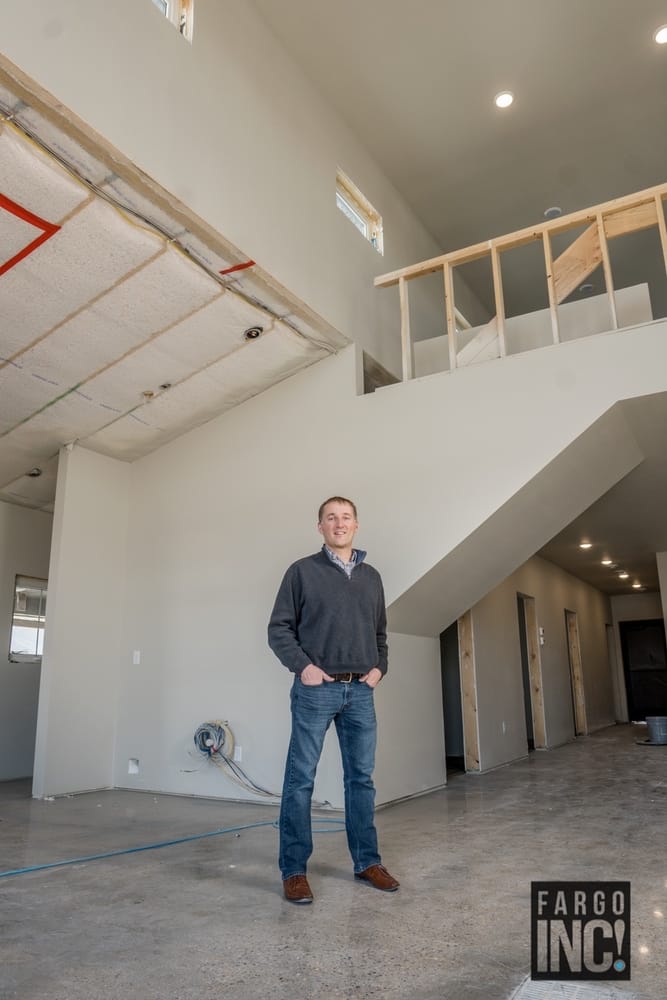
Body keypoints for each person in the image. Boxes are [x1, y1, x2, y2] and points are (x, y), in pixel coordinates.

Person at [268, 495, 399, 904]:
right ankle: (294, 871)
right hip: (315, 690)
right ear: (320, 526)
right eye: (331, 518)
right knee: (300, 781)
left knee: (361, 780)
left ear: (356, 525)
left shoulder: (372, 576)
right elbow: (279, 630)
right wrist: (303, 667)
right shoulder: (301, 572)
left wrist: (379, 669)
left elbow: (380, 634)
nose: (339, 524)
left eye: (345, 518)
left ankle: (367, 862)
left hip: (361, 691)